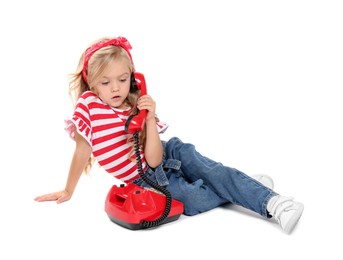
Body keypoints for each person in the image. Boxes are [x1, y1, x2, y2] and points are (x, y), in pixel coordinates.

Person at [34, 36, 304, 234]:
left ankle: (275, 203)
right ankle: (245, 186)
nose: (115, 88)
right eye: (105, 82)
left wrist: (148, 118)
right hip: (147, 178)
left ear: (134, 77)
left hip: (167, 152)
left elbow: (153, 157)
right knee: (194, 201)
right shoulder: (89, 106)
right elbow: (83, 150)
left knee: (214, 172)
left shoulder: (135, 105)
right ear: (92, 83)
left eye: (123, 79)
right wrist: (69, 190)